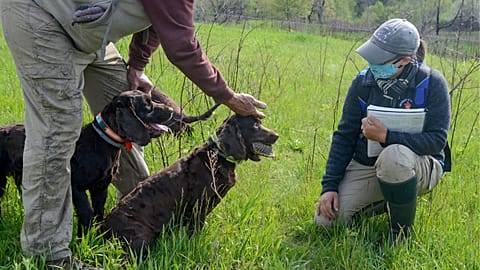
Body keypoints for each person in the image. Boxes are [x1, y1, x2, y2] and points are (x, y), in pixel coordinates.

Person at [0, 0, 266, 268]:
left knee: (128, 101)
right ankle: (48, 253)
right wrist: (229, 97)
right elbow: (182, 47)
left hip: (87, 28)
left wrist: (137, 65)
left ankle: (132, 217)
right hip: (42, 17)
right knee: (57, 130)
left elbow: (158, 16)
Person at [314, 19, 451, 243]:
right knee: (326, 223)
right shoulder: (362, 83)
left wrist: (386, 137)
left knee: (394, 156)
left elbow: (437, 140)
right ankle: (392, 199)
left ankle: (400, 235)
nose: (372, 65)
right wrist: (329, 186)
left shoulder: (432, 83)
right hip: (367, 163)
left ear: (405, 60)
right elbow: (344, 135)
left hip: (419, 164)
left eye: (380, 60)